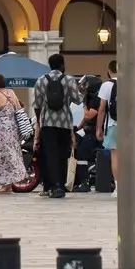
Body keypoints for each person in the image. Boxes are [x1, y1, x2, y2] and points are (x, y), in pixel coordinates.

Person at [32, 53, 79, 198]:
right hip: (64, 122)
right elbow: (78, 99)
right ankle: (61, 186)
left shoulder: (41, 80)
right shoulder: (69, 80)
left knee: (50, 154)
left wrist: (39, 121)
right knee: (62, 153)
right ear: (62, 65)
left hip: (47, 123)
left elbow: (37, 104)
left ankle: (54, 185)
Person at [0, 73, 29, 191]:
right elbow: (19, 107)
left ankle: (5, 184)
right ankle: (9, 183)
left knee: (0, 157)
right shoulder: (11, 92)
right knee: (12, 154)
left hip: (0, 130)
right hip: (13, 129)